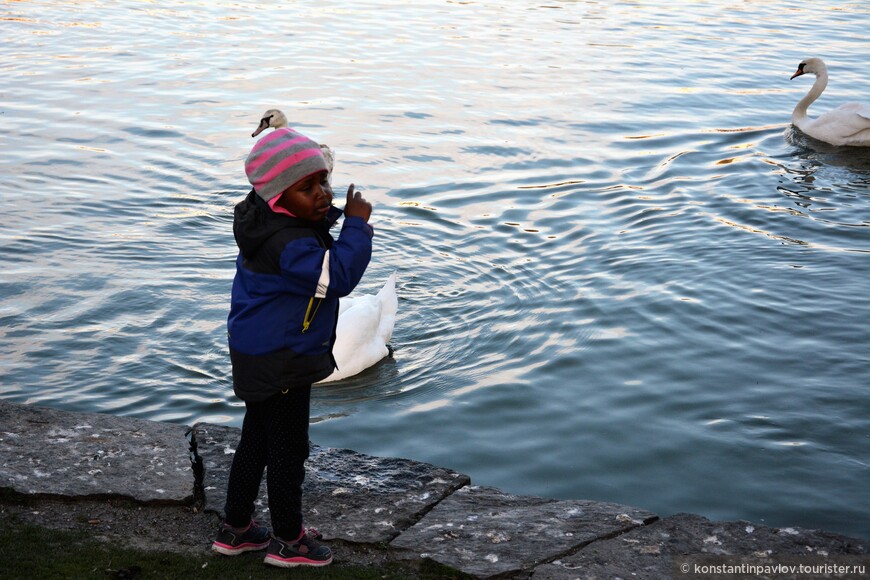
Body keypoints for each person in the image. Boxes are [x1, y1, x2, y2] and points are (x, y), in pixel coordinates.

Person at [210, 126, 373, 568]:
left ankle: (236, 528)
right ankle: (288, 540)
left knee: (256, 442)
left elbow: (309, 231)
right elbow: (336, 277)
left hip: (258, 350)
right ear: (280, 195)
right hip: (283, 359)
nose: (322, 193)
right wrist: (357, 224)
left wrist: (325, 212)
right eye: (309, 187)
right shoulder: (289, 243)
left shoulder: (268, 221)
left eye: (323, 182)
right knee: (288, 451)